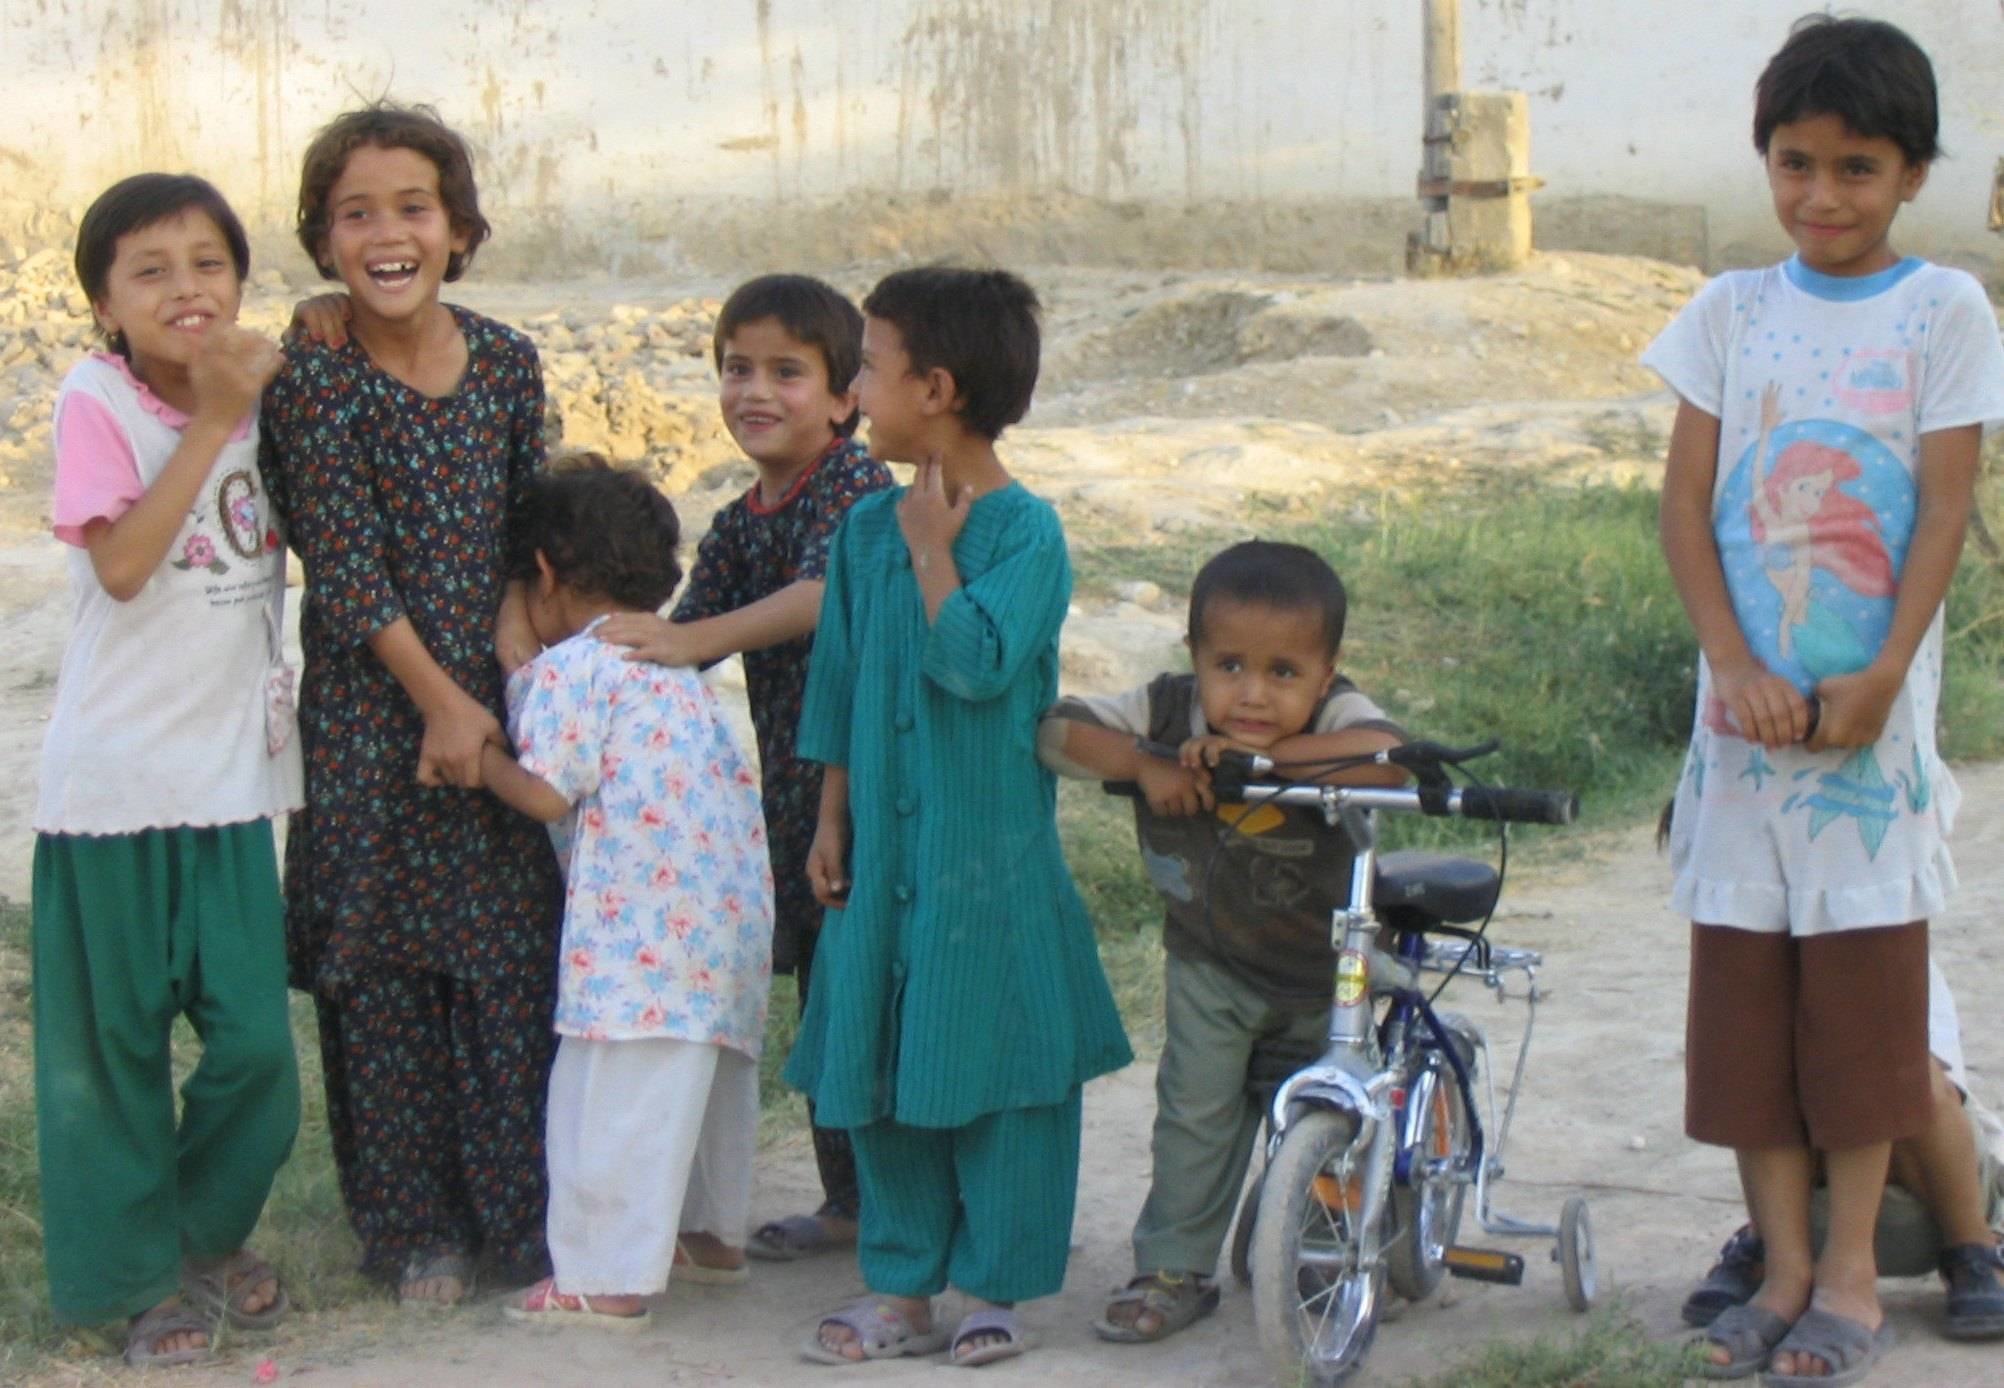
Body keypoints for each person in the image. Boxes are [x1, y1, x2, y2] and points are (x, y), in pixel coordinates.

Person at [1645, 16, 2004, 1383]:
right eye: (1794, 163)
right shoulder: (1727, 314)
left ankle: (1854, 1269)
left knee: (1862, 1016)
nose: (1820, 197)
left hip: (1868, 748)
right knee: (1745, 1007)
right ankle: (1782, 1266)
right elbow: (1684, 504)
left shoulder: (1947, 313)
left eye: (1857, 167)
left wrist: (1887, 673)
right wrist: (1732, 661)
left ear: (1912, 174)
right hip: (1737, 749)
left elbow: (1945, 510)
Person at [786, 267, 1132, 1366]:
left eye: (869, 367)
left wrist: (936, 549)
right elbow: (837, 684)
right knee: (883, 1060)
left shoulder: (1028, 535)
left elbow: (978, 664)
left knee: (1004, 1070)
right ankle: (900, 1283)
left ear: (935, 388)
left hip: (990, 871)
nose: (853, 387)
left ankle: (995, 1281)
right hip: (885, 857)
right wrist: (829, 819)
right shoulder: (859, 532)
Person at [259, 102, 565, 1307]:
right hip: (369, 716)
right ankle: (411, 1229)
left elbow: (523, 535)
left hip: (489, 709)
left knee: (503, 960)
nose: (387, 233)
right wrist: (437, 702)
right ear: (324, 240)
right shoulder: (316, 369)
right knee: (380, 970)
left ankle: (518, 1217)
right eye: (356, 213)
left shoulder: (505, 362)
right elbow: (342, 561)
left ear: (458, 228)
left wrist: (499, 680)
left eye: (412, 208)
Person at [33, 173, 299, 1367]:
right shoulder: (97, 399)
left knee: (255, 1050)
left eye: (209, 263)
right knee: (113, 1057)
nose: (186, 288)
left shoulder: (268, 389)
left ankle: (198, 1230)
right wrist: (210, 421)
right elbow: (128, 565)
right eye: (150, 270)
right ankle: (135, 1280)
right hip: (114, 790)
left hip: (234, 784)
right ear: (104, 304)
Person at [1035, 540, 1406, 1343]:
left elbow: (1389, 758)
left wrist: (1271, 758)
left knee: (1335, 1111)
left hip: (1327, 972)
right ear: (1194, 657)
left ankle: (1319, 1251)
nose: (1253, 694)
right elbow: (1056, 735)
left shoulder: (1338, 714)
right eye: (1229, 665)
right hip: (1211, 963)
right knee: (1195, 1116)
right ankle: (1172, 1267)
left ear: (1327, 669)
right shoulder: (1166, 710)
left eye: (1284, 673)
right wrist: (1146, 764)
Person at [596, 274, 892, 1262]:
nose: (753, 390)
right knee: (820, 999)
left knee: (870, 996)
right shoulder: (738, 520)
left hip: (873, 787)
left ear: (847, 397)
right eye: (735, 367)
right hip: (792, 801)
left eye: (786, 371)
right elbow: (682, 637)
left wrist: (695, 639)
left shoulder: (853, 491)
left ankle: (913, 1199)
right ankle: (850, 1199)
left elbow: (823, 592)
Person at [470, 460, 775, 1328]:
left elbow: (545, 792)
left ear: (546, 575)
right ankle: (709, 1237)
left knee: (608, 1099)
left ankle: (602, 1277)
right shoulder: (675, 669)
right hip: (728, 924)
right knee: (703, 1088)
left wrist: (481, 755)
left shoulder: (579, 668)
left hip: (637, 934)